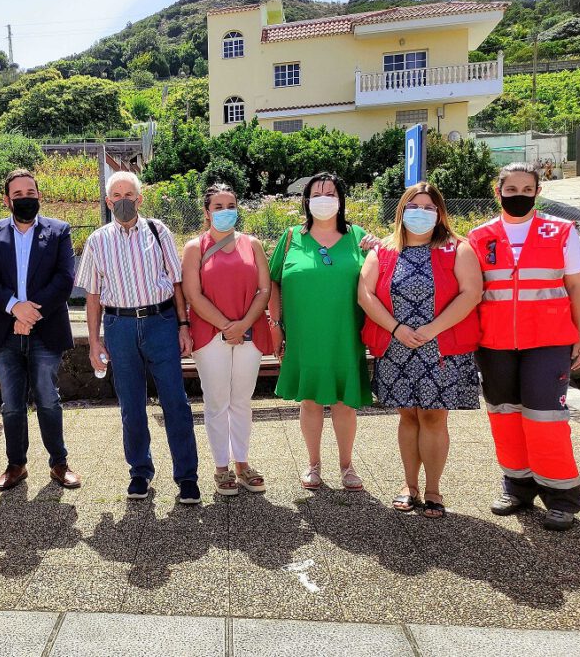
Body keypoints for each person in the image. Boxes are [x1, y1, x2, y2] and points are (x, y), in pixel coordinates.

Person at [468, 162, 580, 531]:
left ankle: (562, 497)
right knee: (504, 416)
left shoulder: (562, 231)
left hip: (549, 342)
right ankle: (517, 487)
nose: (518, 196)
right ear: (498, 191)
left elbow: (576, 288)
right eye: (511, 189)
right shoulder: (480, 236)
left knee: (545, 419)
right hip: (495, 343)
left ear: (537, 192)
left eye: (526, 190)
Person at [75, 170, 201, 505]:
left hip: (160, 322)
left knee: (175, 402)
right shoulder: (97, 240)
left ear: (139, 198)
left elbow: (176, 283)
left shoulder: (158, 231)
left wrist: (183, 325)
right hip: (120, 327)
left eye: (128, 194)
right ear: (107, 202)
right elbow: (92, 295)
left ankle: (187, 477)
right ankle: (140, 472)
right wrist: (94, 341)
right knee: (131, 406)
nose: (122, 201)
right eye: (115, 196)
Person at [359, 182, 483, 518]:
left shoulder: (458, 248)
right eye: (414, 206)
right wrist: (397, 329)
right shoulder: (384, 250)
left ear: (440, 213)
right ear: (401, 211)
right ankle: (409, 485)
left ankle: (433, 489)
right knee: (408, 415)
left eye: (429, 207)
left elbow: (471, 293)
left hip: (441, 346)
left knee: (433, 416)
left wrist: (430, 330)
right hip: (397, 346)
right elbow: (365, 294)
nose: (421, 213)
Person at [0, 169, 81, 491]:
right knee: (12, 405)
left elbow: (64, 279)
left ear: (39, 195)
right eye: (17, 194)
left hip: (45, 331)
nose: (24, 198)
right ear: (6, 200)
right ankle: (16, 465)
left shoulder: (59, 231)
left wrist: (30, 313)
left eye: (30, 193)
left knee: (48, 399)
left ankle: (59, 464)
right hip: (6, 332)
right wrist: (12, 307)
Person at [268, 173, 372, 492]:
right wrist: (276, 327)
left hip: (345, 335)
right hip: (304, 337)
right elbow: (273, 283)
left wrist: (383, 248)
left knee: (344, 403)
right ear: (306, 201)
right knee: (310, 402)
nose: (323, 198)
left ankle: (346, 465)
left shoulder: (358, 237)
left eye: (330, 193)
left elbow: (381, 279)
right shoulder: (290, 238)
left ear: (340, 200)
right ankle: (313, 465)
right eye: (316, 193)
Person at [181, 183, 271, 496]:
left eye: (230, 205)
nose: (225, 212)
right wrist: (225, 326)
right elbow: (193, 293)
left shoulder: (252, 244)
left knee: (242, 399)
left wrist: (244, 323)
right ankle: (221, 467)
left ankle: (242, 464)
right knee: (217, 400)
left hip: (250, 332)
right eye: (218, 207)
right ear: (206, 212)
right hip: (210, 334)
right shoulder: (195, 247)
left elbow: (264, 289)